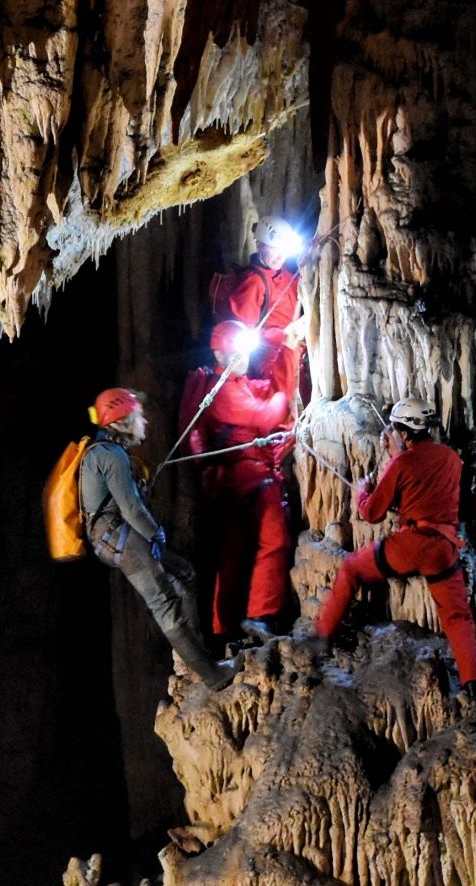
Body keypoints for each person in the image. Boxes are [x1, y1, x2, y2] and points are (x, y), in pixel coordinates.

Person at [315, 398, 476, 711]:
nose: (392, 434)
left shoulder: (401, 464)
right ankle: (475, 686)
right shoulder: (451, 457)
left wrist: (362, 490)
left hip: (412, 545)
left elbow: (372, 514)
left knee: (352, 569)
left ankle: (321, 637)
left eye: (395, 429)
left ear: (404, 433)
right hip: (445, 546)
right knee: (457, 616)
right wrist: (398, 456)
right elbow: (425, 480)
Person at [81, 387, 236, 689]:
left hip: (117, 536)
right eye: (139, 417)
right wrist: (156, 533)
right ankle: (213, 676)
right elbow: (131, 509)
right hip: (120, 538)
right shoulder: (111, 457)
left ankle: (201, 659)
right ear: (122, 421)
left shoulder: (105, 452)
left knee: (184, 575)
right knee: (163, 602)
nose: (145, 423)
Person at [180, 321, 292, 638]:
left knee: (235, 552)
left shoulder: (237, 383)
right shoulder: (223, 390)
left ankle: (225, 626)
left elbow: (268, 388)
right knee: (274, 538)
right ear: (221, 353)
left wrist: (287, 348)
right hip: (243, 476)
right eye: (238, 352)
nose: (244, 358)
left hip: (233, 481)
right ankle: (260, 614)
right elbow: (266, 415)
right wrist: (281, 396)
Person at [212, 215, 309, 411]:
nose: (280, 256)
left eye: (283, 250)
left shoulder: (287, 276)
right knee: (283, 410)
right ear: (259, 245)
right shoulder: (253, 282)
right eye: (274, 249)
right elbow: (242, 332)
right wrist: (283, 336)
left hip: (296, 354)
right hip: (271, 362)